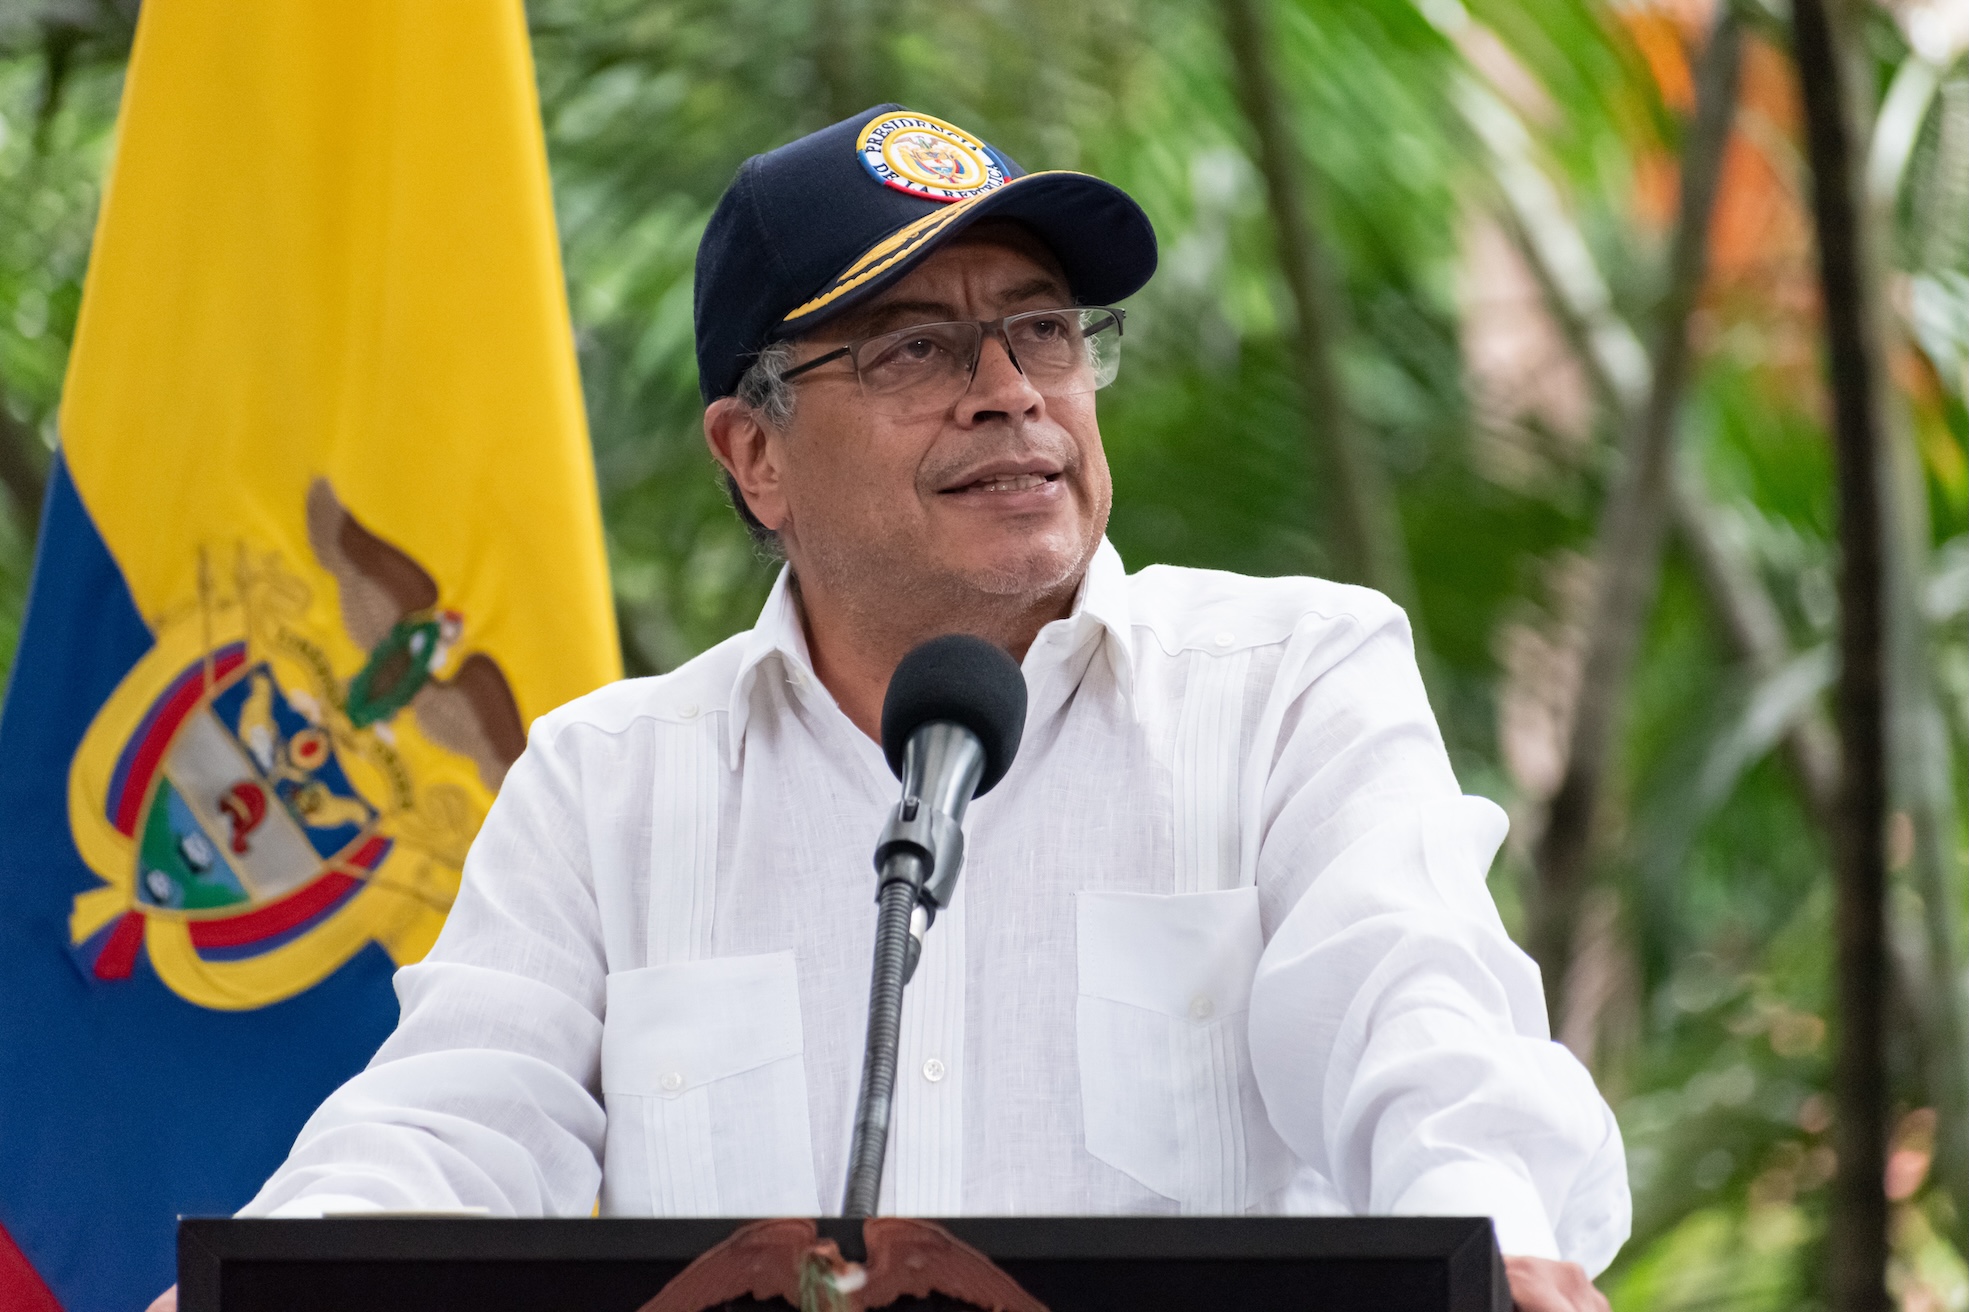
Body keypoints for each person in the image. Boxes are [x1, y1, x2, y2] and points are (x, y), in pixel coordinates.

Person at [151, 105, 1627, 1312]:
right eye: (915, 348)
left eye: (1043, 330)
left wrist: (1498, 1248)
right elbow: (448, 1130)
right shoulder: (608, 785)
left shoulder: (1288, 683)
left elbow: (1420, 1025)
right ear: (756, 457)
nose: (1009, 391)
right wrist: (264, 1287)